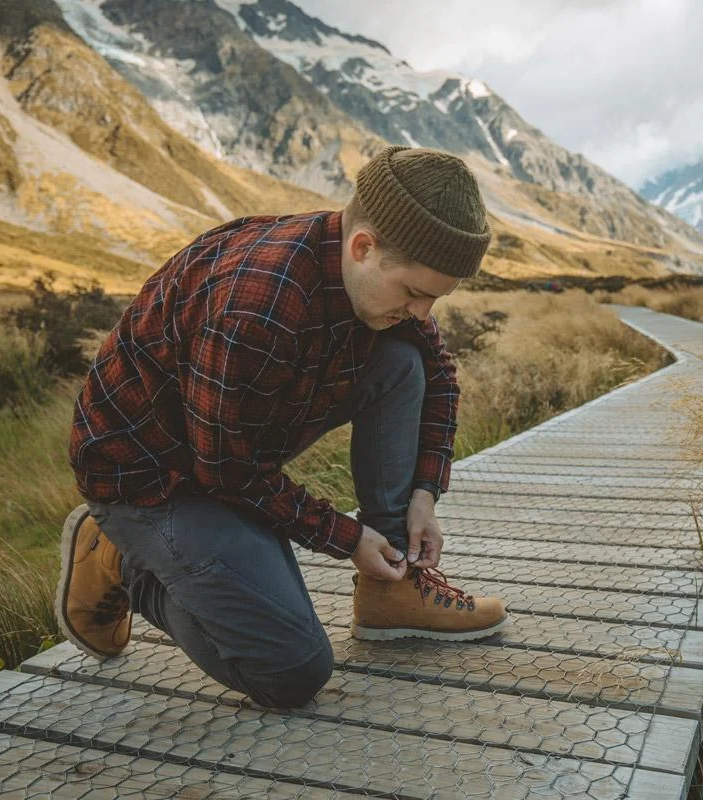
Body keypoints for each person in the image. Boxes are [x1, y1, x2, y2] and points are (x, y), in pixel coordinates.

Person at [56, 145, 508, 709]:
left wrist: (425, 493)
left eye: (434, 299)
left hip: (225, 452)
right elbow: (228, 472)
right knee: (292, 670)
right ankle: (123, 559)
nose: (421, 313)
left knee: (402, 360)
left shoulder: (366, 278)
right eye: (415, 294)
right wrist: (347, 538)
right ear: (363, 247)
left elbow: (437, 373)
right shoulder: (259, 307)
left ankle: (390, 591)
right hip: (152, 480)